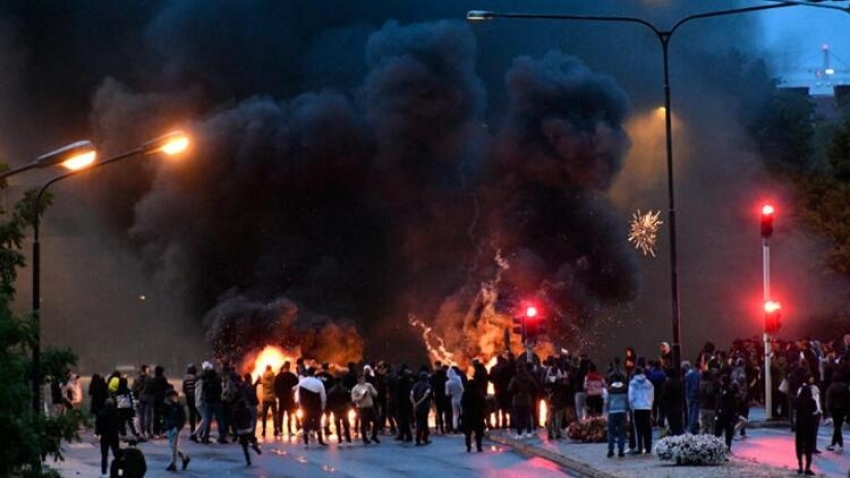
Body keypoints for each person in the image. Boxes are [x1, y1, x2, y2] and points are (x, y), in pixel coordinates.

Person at [297, 368, 327, 446]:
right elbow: (323, 396)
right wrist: (323, 407)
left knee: (305, 423)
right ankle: (320, 440)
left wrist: (300, 406)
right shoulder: (319, 383)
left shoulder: (302, 382)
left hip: (305, 407)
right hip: (316, 407)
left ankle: (306, 441)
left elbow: (299, 396)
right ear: (314, 373)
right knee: (318, 422)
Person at [162, 389, 190, 472]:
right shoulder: (166, 406)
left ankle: (173, 463)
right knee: (173, 446)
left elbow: (183, 418)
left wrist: (178, 428)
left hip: (174, 428)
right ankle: (184, 458)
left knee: (173, 446)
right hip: (169, 427)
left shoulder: (178, 406)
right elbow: (164, 417)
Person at [628, 366, 654, 454]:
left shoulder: (632, 383)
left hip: (637, 408)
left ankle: (639, 447)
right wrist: (650, 406)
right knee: (647, 429)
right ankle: (648, 447)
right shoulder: (649, 383)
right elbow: (651, 396)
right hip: (647, 408)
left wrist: (632, 407)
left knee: (638, 429)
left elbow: (631, 397)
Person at [508, 362, 537, 439]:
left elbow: (510, 389)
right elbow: (535, 386)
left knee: (518, 417)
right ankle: (529, 432)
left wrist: (516, 392)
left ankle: (519, 433)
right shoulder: (529, 377)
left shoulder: (515, 378)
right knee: (528, 416)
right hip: (527, 400)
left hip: (517, 400)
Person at [796, 384, 818, 475]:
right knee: (809, 447)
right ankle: (807, 467)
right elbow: (815, 410)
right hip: (809, 426)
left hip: (799, 425)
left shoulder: (798, 401)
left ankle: (800, 465)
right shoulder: (812, 401)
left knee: (799, 445)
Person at [605, 372, 629, 458]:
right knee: (621, 432)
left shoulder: (610, 389)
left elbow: (607, 402)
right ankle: (621, 450)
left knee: (611, 432)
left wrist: (607, 412)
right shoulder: (625, 388)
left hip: (612, 412)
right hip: (622, 412)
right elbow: (627, 401)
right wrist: (627, 410)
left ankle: (611, 450)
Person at [95, 398, 121, 478]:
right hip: (114, 435)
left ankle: (104, 473)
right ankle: (120, 473)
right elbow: (119, 423)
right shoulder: (116, 413)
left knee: (104, 456)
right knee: (118, 456)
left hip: (105, 436)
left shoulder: (101, 413)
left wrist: (97, 433)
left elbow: (98, 424)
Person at [352, 373, 380, 445]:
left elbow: (375, 394)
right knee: (363, 423)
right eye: (361, 379)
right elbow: (354, 399)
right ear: (358, 380)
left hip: (370, 406)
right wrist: (361, 397)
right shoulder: (355, 388)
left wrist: (371, 391)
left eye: (363, 378)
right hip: (362, 408)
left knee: (376, 421)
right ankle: (365, 439)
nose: (362, 380)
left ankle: (374, 436)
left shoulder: (368, 385)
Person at [460, 380, 486, 453]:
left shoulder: (465, 393)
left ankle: (468, 446)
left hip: (468, 415)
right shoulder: (479, 393)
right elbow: (483, 403)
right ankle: (479, 446)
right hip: (478, 415)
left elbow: (462, 403)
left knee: (468, 432)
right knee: (478, 432)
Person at [715, 375, 739, 452]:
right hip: (724, 414)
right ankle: (723, 448)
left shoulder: (728, 391)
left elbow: (731, 404)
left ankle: (725, 448)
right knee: (723, 433)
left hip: (726, 415)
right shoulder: (722, 390)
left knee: (725, 433)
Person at [274, 361, 299, 436]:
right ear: (289, 366)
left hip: (281, 398)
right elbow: (296, 382)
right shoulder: (291, 375)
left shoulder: (278, 376)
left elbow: (275, 387)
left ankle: (280, 430)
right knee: (289, 414)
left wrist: (277, 395)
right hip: (289, 397)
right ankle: (289, 430)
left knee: (280, 414)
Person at [826, 372, 849, 452]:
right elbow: (847, 398)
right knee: (838, 425)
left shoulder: (831, 387)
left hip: (834, 408)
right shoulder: (845, 386)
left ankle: (839, 444)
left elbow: (829, 400)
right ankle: (833, 443)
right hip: (843, 408)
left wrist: (828, 409)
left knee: (837, 426)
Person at [326, 380, 353, 445]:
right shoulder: (345, 389)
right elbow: (349, 398)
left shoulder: (331, 390)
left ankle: (340, 440)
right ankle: (348, 440)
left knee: (337, 425)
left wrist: (329, 409)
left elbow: (329, 401)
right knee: (346, 425)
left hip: (335, 410)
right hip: (344, 409)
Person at [410, 371, 432, 446]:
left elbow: (411, 395)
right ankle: (419, 439)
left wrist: (414, 404)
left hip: (417, 408)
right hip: (424, 407)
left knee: (419, 422)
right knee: (423, 422)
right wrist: (418, 403)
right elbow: (425, 396)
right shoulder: (428, 385)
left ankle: (424, 438)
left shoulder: (415, 385)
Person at [258, 365, 279, 437]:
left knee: (264, 415)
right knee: (275, 414)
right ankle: (276, 429)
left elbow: (259, 383)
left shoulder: (263, 378)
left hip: (265, 398)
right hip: (273, 398)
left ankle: (264, 430)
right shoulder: (274, 378)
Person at [133, 365, 152, 439]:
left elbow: (134, 389)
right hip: (149, 397)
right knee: (149, 415)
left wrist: (136, 397)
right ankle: (149, 431)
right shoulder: (150, 378)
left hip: (141, 397)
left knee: (141, 415)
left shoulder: (137, 378)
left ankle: (143, 431)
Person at [684, 361, 701, 434]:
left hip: (689, 395)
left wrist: (687, 394)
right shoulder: (699, 375)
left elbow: (686, 385)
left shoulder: (689, 375)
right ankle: (692, 428)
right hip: (696, 396)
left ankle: (689, 427)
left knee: (690, 412)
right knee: (695, 412)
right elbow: (698, 386)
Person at [445, 367, 465, 433]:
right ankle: (463, 427)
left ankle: (455, 428)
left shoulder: (447, 383)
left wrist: (452, 392)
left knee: (455, 414)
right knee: (463, 413)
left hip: (453, 399)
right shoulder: (459, 379)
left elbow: (447, 394)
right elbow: (462, 389)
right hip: (461, 398)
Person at [182, 364, 199, 438]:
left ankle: (192, 430)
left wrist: (187, 394)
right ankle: (199, 431)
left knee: (191, 414)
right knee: (198, 414)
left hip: (189, 398)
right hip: (196, 397)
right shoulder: (196, 378)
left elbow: (184, 389)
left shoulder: (185, 378)